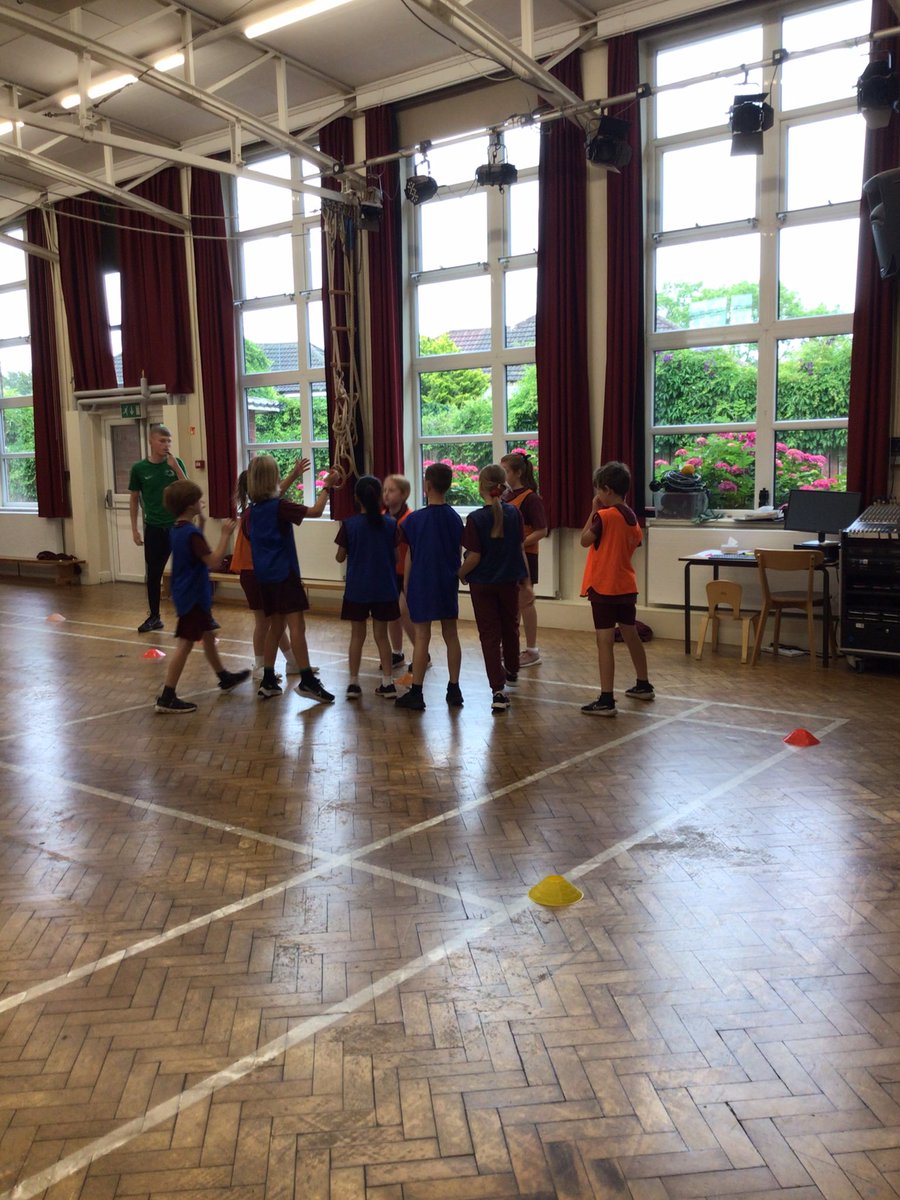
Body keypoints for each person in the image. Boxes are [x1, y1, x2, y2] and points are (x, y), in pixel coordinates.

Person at [245, 454, 341, 704]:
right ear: (272, 479)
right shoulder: (281, 507)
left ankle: (268, 680)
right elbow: (317, 511)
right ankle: (307, 680)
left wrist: (295, 475)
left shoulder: (252, 512)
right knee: (297, 627)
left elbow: (271, 498)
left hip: (264, 577)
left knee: (275, 627)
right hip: (284, 575)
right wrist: (327, 486)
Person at [154, 480, 250, 714]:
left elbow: (195, 550)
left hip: (187, 593)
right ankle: (167, 695)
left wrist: (204, 523)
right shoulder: (191, 534)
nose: (202, 502)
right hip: (193, 596)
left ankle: (224, 677)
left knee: (208, 636)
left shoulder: (179, 529)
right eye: (198, 500)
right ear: (189, 506)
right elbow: (214, 561)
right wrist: (225, 535)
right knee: (185, 644)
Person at [579, 460, 654, 717]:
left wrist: (592, 512)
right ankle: (643, 684)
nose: (598, 495)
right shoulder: (632, 517)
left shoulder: (604, 516)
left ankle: (606, 698)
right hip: (625, 585)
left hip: (604, 586)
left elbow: (584, 540)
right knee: (630, 634)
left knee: (604, 641)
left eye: (599, 490)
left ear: (607, 490)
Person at [395, 462, 464, 711]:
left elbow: (410, 555)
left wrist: (406, 583)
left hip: (422, 582)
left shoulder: (414, 520)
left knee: (422, 637)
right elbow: (457, 552)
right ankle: (454, 688)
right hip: (446, 582)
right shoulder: (455, 518)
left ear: (427, 485)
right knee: (451, 635)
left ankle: (417, 692)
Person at [458, 464, 527, 713]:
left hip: (483, 584)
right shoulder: (515, 514)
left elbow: (474, 556)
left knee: (489, 635)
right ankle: (512, 668)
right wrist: (526, 579)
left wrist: (460, 573)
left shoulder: (475, 518)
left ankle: (497, 690)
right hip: (509, 581)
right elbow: (520, 549)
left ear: (480, 487)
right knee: (511, 627)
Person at [232, 462, 303, 678]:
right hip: (251, 571)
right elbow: (277, 494)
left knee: (275, 621)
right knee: (263, 622)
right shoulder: (254, 515)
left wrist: (294, 474)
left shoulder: (257, 510)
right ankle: (259, 666)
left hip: (258, 571)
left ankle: (292, 663)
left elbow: (277, 491)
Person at [335, 475, 401, 701]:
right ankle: (388, 683)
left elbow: (339, 556)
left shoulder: (349, 525)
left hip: (358, 589)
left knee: (357, 636)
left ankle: (353, 683)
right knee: (382, 637)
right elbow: (395, 556)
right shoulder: (391, 524)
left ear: (356, 498)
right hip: (384, 588)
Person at [129, 424, 187, 633]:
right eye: (162, 441)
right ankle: (154, 616)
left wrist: (176, 468)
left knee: (186, 571)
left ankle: (192, 615)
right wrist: (134, 529)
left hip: (177, 527)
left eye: (169, 441)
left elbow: (189, 489)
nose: (166, 445)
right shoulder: (139, 469)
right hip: (154, 528)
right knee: (154, 574)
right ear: (151, 442)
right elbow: (134, 499)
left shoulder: (175, 463)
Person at [501, 451, 548, 667]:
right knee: (512, 603)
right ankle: (511, 645)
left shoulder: (531, 498)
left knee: (526, 602)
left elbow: (542, 530)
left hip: (526, 555)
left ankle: (532, 650)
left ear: (518, 472)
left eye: (506, 471)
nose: (503, 475)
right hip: (509, 556)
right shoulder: (505, 496)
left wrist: (521, 542)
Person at [382, 474, 415, 671]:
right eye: (384, 490)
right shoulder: (382, 517)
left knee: (404, 612)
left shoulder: (410, 518)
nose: (386, 494)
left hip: (407, 573)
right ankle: (397, 653)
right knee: (391, 614)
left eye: (391, 490)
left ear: (404, 494)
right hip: (388, 573)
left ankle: (422, 653)